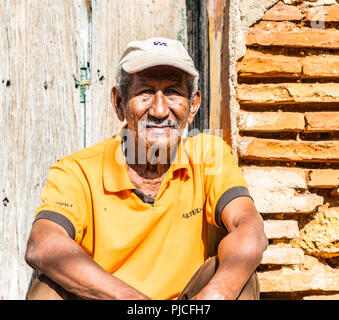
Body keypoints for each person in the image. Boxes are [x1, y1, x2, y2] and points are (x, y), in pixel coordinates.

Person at [25, 37, 268, 300]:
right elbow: (42, 244)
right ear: (119, 103)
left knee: (239, 278)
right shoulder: (77, 170)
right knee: (46, 288)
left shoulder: (208, 155)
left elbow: (249, 226)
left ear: (193, 105)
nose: (160, 110)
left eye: (174, 92)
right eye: (145, 93)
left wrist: (219, 291)